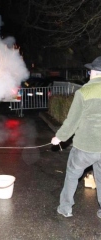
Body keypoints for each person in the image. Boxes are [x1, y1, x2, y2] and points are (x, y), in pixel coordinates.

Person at [51, 56, 101, 218]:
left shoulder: (83, 92)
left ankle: (65, 208)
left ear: (93, 72)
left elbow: (72, 121)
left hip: (84, 146)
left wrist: (59, 138)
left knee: (72, 175)